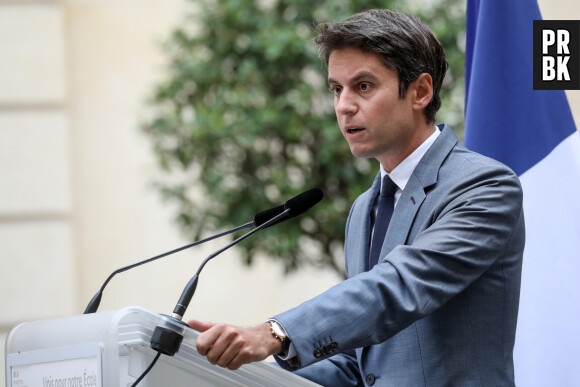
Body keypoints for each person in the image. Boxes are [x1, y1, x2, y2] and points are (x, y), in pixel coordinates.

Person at [188, 9, 525, 386]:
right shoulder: (364, 208)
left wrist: (273, 334)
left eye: (363, 86)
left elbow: (399, 288)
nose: (343, 105)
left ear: (420, 92)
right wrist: (238, 374)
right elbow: (360, 362)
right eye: (336, 89)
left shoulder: (484, 186)